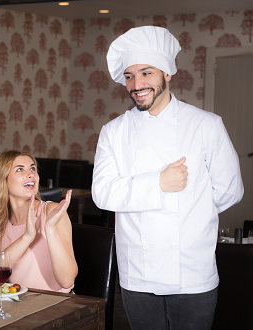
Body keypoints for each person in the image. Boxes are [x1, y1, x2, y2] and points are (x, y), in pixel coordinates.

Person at [93, 26, 244, 329]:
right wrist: (158, 185)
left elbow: (230, 190)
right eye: (129, 76)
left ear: (168, 73)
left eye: (146, 73)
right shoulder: (113, 132)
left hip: (192, 271)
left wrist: (191, 212)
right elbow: (103, 194)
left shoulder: (206, 125)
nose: (137, 84)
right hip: (138, 271)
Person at [0, 150, 77, 293]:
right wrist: (26, 238)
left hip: (57, 304)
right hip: (18, 304)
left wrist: (49, 230)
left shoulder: (52, 212)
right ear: (3, 179)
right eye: (20, 169)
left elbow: (67, 280)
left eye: (33, 168)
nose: (31, 174)